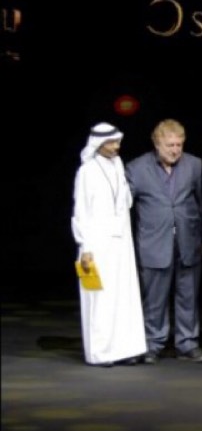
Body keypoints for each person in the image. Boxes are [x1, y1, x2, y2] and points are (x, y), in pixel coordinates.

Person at [125, 119, 202, 363]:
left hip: (188, 241)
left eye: (179, 145)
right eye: (170, 145)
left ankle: (187, 344)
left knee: (188, 297)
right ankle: (153, 344)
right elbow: (123, 208)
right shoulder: (136, 168)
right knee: (154, 299)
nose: (175, 150)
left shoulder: (194, 165)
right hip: (153, 243)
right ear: (156, 144)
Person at [71, 123, 147, 366]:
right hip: (96, 243)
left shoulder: (118, 164)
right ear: (98, 144)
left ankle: (124, 349)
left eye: (117, 142)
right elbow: (81, 210)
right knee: (100, 298)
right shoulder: (87, 171)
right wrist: (85, 246)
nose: (116, 147)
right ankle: (101, 352)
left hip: (121, 242)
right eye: (111, 143)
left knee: (123, 296)